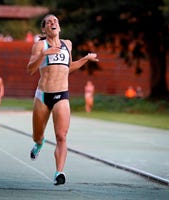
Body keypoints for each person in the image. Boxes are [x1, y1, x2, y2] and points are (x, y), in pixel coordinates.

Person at [27, 14, 99, 185]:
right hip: (43, 95)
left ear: (59, 27)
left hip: (62, 95)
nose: (53, 23)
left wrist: (85, 59)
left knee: (61, 136)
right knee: (37, 134)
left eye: (56, 21)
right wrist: (43, 54)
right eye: (49, 22)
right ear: (44, 29)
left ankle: (59, 172)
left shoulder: (67, 44)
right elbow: (30, 69)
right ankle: (39, 143)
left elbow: (68, 67)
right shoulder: (39, 45)